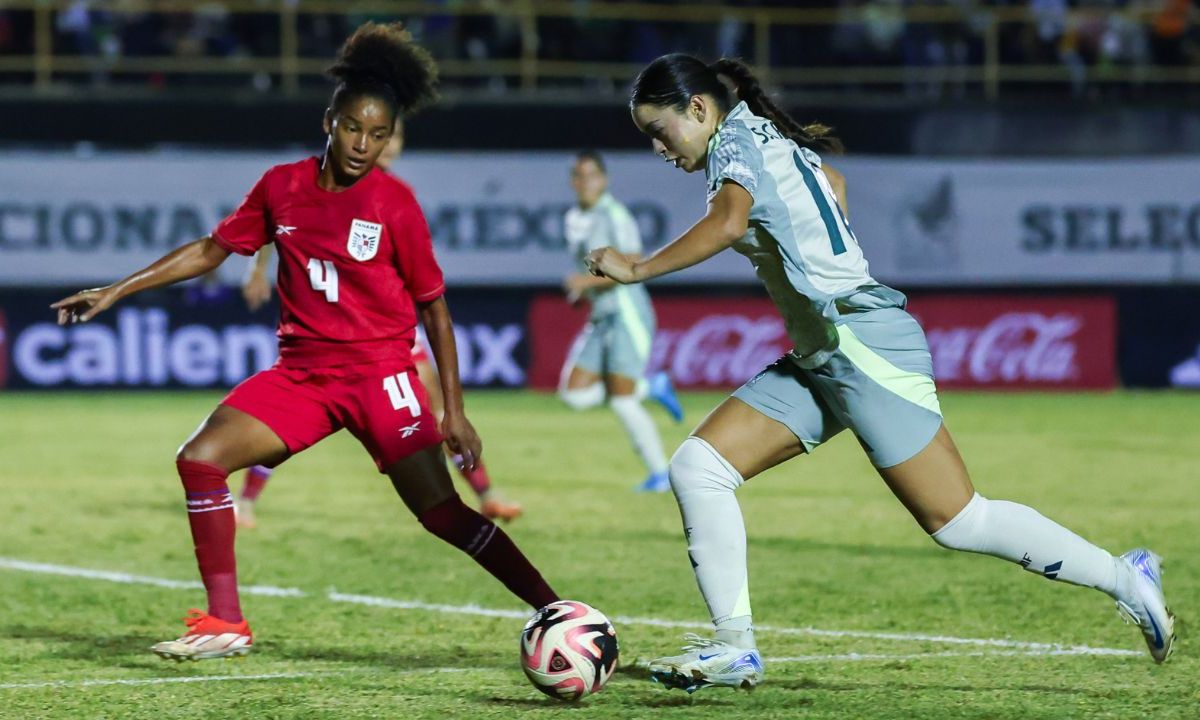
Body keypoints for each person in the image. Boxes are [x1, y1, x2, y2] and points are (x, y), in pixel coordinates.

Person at [586, 53, 1175, 692]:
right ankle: (734, 647)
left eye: (659, 130)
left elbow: (729, 223)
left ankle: (1126, 576)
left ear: (697, 109)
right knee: (698, 467)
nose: (657, 147)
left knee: (959, 520)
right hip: (827, 352)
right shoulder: (758, 135)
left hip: (860, 345)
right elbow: (833, 184)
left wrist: (637, 269)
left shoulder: (736, 143)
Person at [51, 22, 558, 661]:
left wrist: (453, 412)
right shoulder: (281, 186)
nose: (363, 145)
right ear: (329, 120)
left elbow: (435, 309)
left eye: (378, 135)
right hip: (304, 376)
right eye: (353, 128)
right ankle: (225, 623)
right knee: (200, 458)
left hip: (382, 377)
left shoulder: (395, 205)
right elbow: (212, 249)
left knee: (441, 514)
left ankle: (553, 607)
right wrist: (116, 290)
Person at [235, 121, 522, 529]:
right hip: (331, 332)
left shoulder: (397, 198)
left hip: (389, 331)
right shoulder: (326, 185)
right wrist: (258, 270)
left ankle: (486, 493)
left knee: (435, 407)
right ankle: (246, 500)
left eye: (392, 137)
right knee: (289, 421)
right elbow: (279, 221)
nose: (383, 146)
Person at [559, 149, 685, 493]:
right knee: (572, 393)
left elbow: (631, 263)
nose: (584, 182)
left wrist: (583, 283)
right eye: (578, 176)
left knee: (621, 401)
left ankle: (660, 474)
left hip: (627, 313)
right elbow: (594, 269)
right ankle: (652, 387)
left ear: (604, 180)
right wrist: (584, 293)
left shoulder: (615, 214)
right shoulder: (573, 217)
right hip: (600, 316)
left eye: (591, 175)